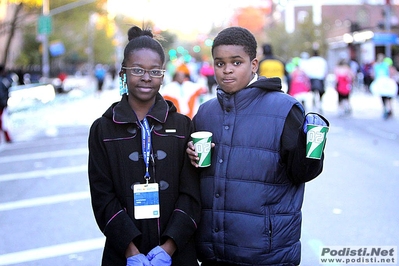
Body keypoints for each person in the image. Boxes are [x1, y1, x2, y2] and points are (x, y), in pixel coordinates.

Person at [186, 26, 329, 266]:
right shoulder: (205, 113)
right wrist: (191, 156)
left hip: (267, 254)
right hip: (213, 252)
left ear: (253, 65)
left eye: (236, 62)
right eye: (219, 63)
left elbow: (302, 173)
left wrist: (312, 148)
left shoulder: (285, 109)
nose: (227, 69)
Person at [88, 26, 201, 266]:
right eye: (137, 70)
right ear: (123, 74)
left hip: (178, 253)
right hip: (123, 254)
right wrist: (130, 251)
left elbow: (191, 194)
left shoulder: (182, 126)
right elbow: (102, 196)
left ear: (163, 74)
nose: (147, 77)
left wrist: (169, 248)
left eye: (155, 71)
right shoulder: (103, 129)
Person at [370, 54, 398, 119]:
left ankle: (389, 109)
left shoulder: (384, 65)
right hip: (381, 83)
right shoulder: (376, 66)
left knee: (388, 97)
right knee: (384, 97)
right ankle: (386, 109)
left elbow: (388, 74)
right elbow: (375, 74)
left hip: (385, 82)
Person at [0, 64, 12, 143]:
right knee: (3, 121)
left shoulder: (3, 79)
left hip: (2, 104)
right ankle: (7, 138)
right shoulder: (2, 80)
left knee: (3, 121)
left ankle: (7, 138)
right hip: (1, 104)